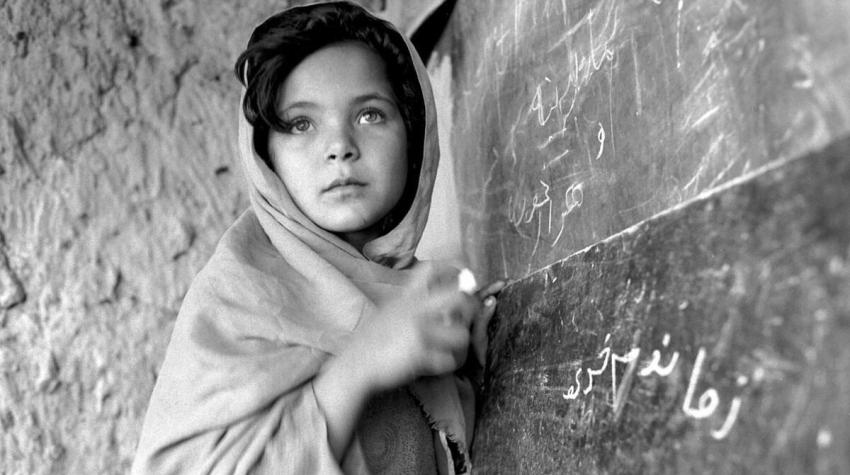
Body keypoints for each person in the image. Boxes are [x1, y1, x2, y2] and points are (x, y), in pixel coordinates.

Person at [131, 2, 504, 473]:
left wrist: (472, 371)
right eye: (301, 124)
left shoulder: (422, 296)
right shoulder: (236, 301)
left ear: (414, 134)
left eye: (370, 115)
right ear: (266, 156)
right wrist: (358, 368)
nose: (339, 147)